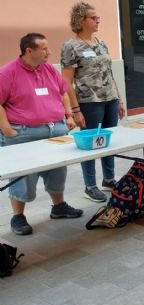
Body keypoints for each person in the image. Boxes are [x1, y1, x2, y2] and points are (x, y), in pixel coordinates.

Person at [0, 33, 83, 235]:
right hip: (23, 132)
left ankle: (59, 206)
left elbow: (62, 92)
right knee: (23, 176)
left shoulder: (48, 69)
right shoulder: (7, 72)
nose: (49, 52)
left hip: (55, 129)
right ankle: (18, 216)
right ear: (29, 51)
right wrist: (7, 130)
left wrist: (69, 115)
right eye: (44, 48)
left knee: (58, 170)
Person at [61, 2, 125, 203]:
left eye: (98, 17)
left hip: (109, 99)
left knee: (107, 141)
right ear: (81, 21)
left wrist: (119, 99)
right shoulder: (71, 46)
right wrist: (74, 109)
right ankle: (90, 185)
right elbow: (66, 83)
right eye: (93, 17)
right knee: (89, 143)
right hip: (89, 102)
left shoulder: (101, 43)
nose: (98, 20)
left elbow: (110, 73)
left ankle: (109, 179)